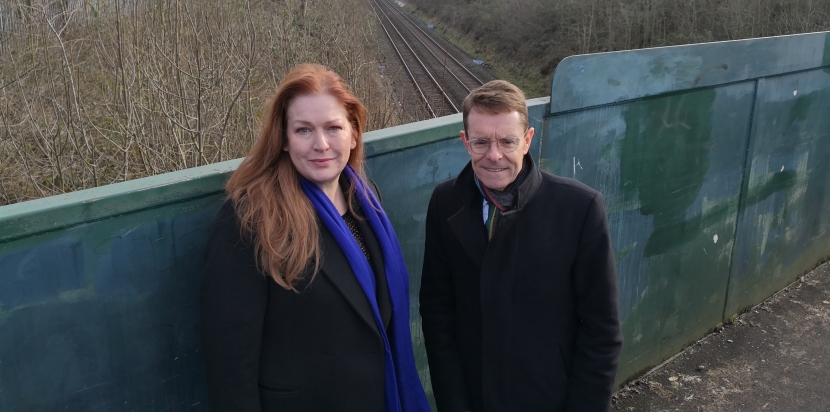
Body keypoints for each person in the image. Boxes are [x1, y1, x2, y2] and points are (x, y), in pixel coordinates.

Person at [200, 63, 430, 412]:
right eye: (304, 130)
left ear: (353, 134)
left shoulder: (366, 200)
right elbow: (230, 362)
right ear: (284, 139)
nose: (320, 144)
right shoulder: (250, 218)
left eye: (333, 128)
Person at [419, 80, 623, 412]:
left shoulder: (579, 208)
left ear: (527, 141)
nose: (494, 155)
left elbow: (602, 330)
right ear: (465, 143)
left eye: (507, 141)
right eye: (481, 142)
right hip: (473, 397)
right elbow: (437, 313)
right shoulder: (445, 202)